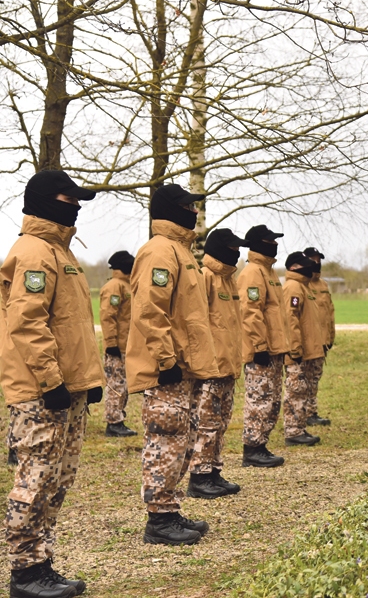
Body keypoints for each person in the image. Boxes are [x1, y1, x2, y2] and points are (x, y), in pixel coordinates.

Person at [0, 170, 105, 598]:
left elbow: (71, 325)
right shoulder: (34, 253)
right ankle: (25, 574)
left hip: (65, 386)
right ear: (46, 200)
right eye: (69, 199)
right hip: (41, 391)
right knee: (35, 479)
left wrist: (86, 379)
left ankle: (41, 564)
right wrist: (50, 381)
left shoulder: (60, 251)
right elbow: (27, 323)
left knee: (57, 479)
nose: (76, 207)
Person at [126, 184, 219, 545]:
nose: (193, 212)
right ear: (170, 209)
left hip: (184, 367)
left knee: (181, 440)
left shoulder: (181, 252)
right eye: (187, 206)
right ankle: (159, 520)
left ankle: (170, 509)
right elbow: (150, 311)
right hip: (167, 369)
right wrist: (166, 360)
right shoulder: (159, 251)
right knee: (165, 439)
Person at [186, 228, 247, 499]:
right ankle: (199, 476)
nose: (237, 252)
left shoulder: (229, 281)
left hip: (227, 366)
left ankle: (213, 471)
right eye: (233, 248)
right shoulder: (205, 277)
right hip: (210, 368)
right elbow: (196, 323)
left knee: (221, 422)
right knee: (206, 423)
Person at [238, 225, 289, 467]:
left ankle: (261, 445)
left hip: (274, 349)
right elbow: (250, 313)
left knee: (272, 400)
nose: (275, 244)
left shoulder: (269, 272)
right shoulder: (253, 273)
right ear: (258, 244)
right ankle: (252, 449)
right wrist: (259, 346)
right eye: (270, 241)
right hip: (261, 351)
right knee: (259, 399)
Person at [282, 252, 326, 446]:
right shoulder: (293, 287)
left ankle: (299, 428)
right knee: (295, 390)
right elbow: (290, 320)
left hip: (308, 351)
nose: (311, 267)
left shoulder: (304, 286)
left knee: (303, 390)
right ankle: (293, 432)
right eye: (305, 264)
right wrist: (295, 349)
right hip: (298, 352)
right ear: (294, 267)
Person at [99, 250, 138, 437]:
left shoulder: (127, 286)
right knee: (116, 385)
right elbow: (108, 316)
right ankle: (114, 423)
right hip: (117, 347)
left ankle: (118, 418)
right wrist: (111, 343)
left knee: (123, 385)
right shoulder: (114, 287)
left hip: (127, 346)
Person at [301, 246, 333, 427]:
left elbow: (330, 312)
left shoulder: (324, 285)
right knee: (302, 380)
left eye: (318, 260)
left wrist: (330, 336)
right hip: (307, 342)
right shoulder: (301, 285)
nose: (316, 263)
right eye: (313, 259)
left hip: (322, 342)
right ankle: (300, 413)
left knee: (314, 379)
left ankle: (311, 412)